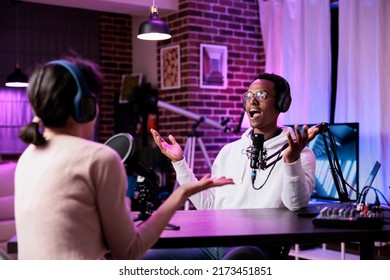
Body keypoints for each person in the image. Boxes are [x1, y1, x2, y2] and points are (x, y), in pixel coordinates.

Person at [14, 56, 233, 260]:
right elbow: (129, 251)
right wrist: (182, 194)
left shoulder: (28, 157)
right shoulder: (99, 159)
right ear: (85, 107)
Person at [142, 73, 320, 260]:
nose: (252, 101)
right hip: (214, 241)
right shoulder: (229, 151)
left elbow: (296, 204)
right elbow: (209, 205)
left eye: (261, 96)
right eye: (248, 96)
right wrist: (179, 162)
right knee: (147, 258)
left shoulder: (302, 155)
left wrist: (291, 160)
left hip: (255, 246)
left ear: (282, 103)